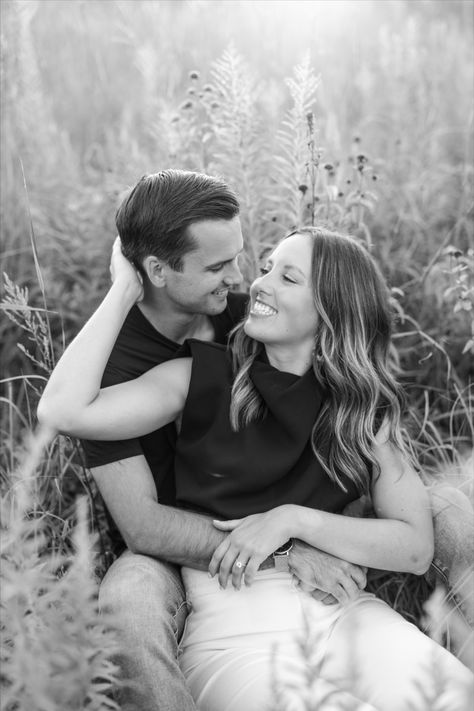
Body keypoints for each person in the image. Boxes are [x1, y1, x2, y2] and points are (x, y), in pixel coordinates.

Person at [38, 227, 473, 710]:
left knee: (453, 696)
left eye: (287, 277)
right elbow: (62, 413)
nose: (259, 284)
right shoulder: (199, 376)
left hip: (344, 616)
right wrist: (123, 286)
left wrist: (293, 519)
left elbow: (414, 549)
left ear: (332, 311)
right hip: (234, 636)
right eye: (266, 268)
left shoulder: (360, 409)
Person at [78, 169, 370, 711]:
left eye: (239, 258)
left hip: (297, 516)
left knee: (448, 511)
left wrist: (316, 525)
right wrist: (283, 546)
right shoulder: (107, 370)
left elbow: (341, 371)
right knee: (127, 605)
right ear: (157, 271)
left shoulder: (246, 317)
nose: (238, 278)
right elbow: (143, 526)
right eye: (217, 266)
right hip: (174, 548)